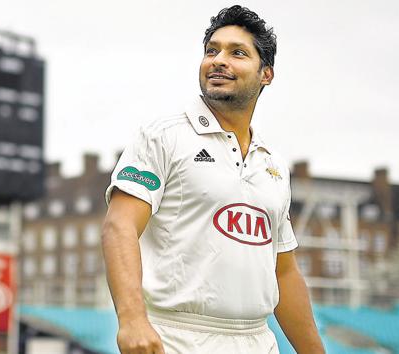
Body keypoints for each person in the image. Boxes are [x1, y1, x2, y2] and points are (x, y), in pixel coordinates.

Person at [102, 5, 325, 354]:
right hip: (175, 336)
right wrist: (132, 320)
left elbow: (284, 272)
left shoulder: (274, 166)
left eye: (237, 53)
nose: (219, 60)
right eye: (212, 51)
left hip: (257, 340)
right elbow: (119, 226)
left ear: (266, 74)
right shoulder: (162, 136)